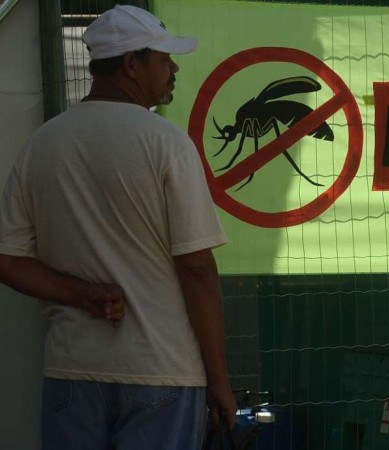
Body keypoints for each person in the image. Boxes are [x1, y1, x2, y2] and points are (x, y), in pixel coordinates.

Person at [0, 5, 236, 449]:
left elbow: (7, 259)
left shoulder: (43, 143)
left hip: (71, 372)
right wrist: (219, 380)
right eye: (164, 59)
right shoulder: (166, 143)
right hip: (162, 372)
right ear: (132, 64)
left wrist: (78, 293)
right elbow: (197, 268)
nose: (174, 69)